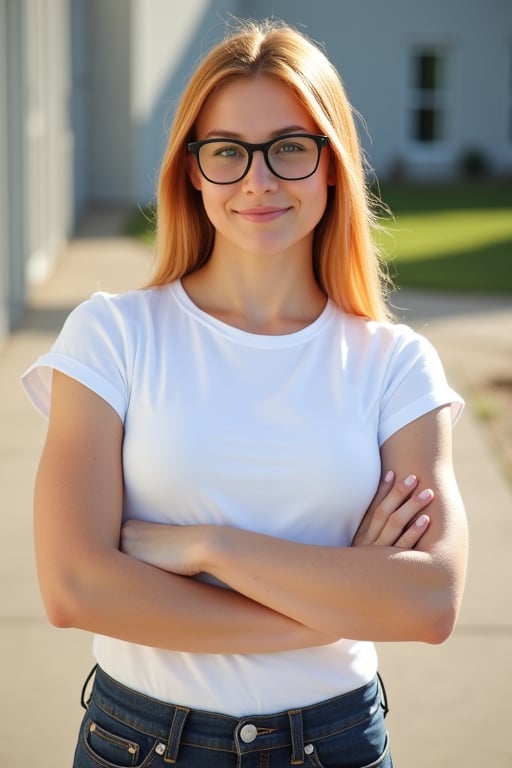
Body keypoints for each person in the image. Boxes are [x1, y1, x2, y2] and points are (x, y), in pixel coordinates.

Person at [22, 18, 468, 768]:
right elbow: (74, 588)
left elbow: (428, 604)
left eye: (289, 147)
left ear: (332, 164)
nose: (258, 180)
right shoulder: (113, 336)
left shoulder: (396, 365)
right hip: (137, 743)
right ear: (193, 171)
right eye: (227, 151)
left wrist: (207, 547)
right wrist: (337, 599)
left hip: (335, 745)